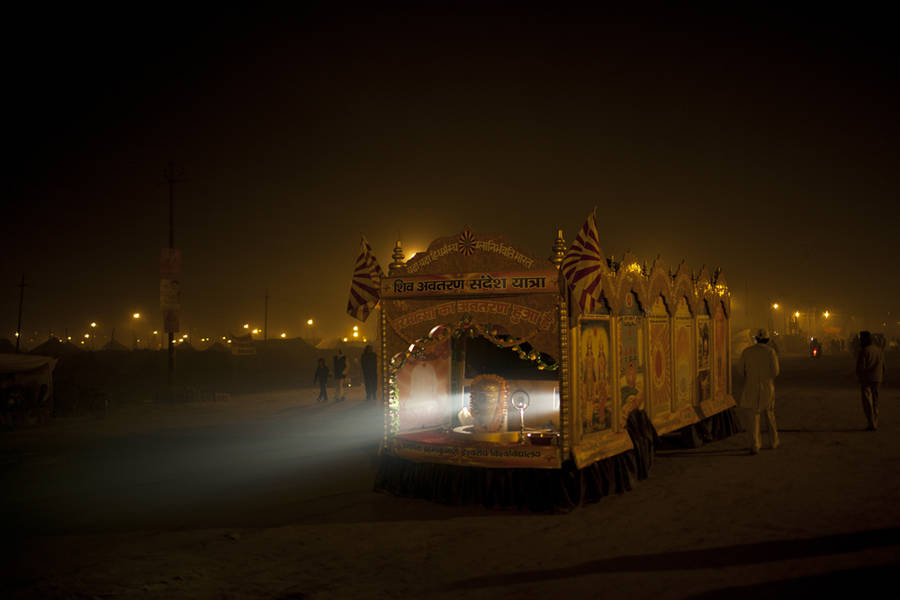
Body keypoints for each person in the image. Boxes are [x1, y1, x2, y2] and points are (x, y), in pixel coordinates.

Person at [740, 328, 780, 454]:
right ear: (767, 340)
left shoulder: (747, 352)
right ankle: (773, 441)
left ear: (756, 339)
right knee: (769, 415)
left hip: (751, 387)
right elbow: (775, 371)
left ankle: (755, 445)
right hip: (767, 387)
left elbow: (741, 370)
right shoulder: (770, 352)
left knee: (753, 417)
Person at [856, 330, 886, 430]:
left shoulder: (864, 351)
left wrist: (859, 377)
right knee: (875, 401)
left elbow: (861, 367)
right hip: (877, 378)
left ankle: (871, 422)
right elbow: (884, 366)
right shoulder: (879, 350)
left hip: (867, 379)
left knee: (867, 402)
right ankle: (875, 422)